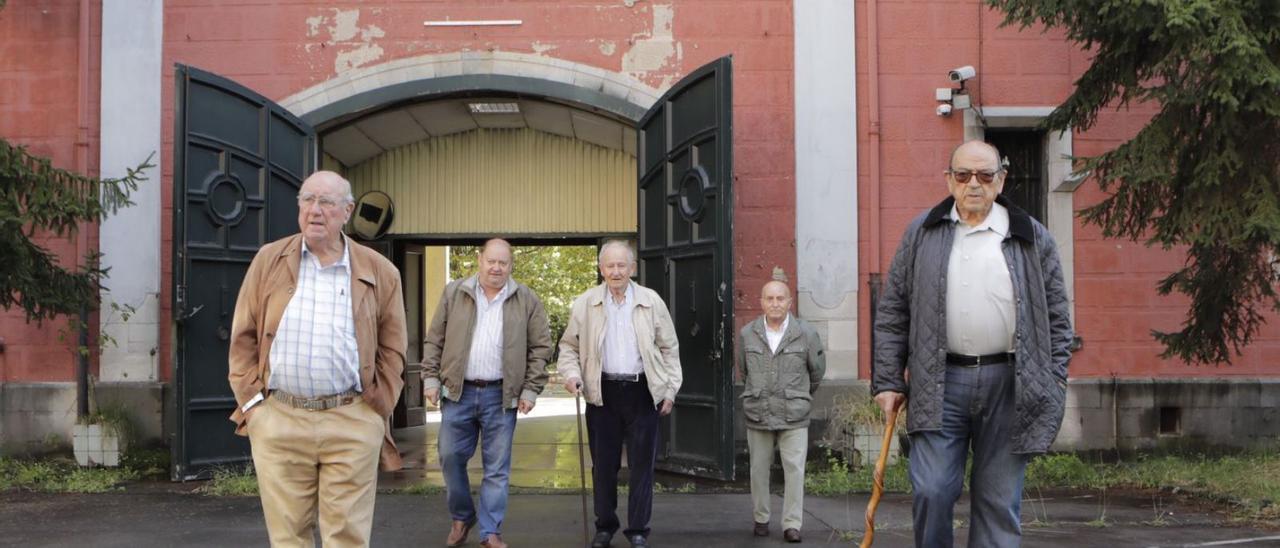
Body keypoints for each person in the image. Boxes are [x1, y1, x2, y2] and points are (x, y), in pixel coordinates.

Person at [872, 140, 1073, 547]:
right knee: (931, 490)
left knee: (999, 502)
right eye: (963, 175)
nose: (974, 184)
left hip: (1011, 383)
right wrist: (888, 380)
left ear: (1001, 180)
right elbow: (893, 310)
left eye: (985, 175)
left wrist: (1052, 381)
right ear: (950, 180)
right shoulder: (922, 233)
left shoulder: (1031, 236)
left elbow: (1057, 319)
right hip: (938, 381)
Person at [227, 170, 407, 547]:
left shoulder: (379, 270)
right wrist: (254, 406)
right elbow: (243, 336)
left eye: (326, 202)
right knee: (288, 537)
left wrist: (378, 407)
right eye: (307, 200)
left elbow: (393, 349)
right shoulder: (268, 260)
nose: (315, 211)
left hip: (351, 418)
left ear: (347, 211)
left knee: (347, 537)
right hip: (280, 420)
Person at [422, 239, 553, 548]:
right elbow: (434, 340)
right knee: (450, 456)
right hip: (458, 392)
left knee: (497, 468)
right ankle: (463, 515)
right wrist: (429, 378)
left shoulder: (527, 299)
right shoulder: (455, 293)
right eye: (491, 261)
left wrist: (531, 388)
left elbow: (540, 348)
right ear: (480, 260)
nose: (497, 268)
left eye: (503, 263)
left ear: (511, 265)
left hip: (501, 395)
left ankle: (490, 531)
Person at [558, 240, 681, 548]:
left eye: (621, 265)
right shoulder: (586, 303)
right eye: (610, 266)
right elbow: (568, 347)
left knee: (642, 465)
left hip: (642, 391)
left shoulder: (651, 301)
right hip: (602, 392)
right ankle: (605, 526)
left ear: (632, 268)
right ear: (601, 269)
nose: (616, 272)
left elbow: (670, 348)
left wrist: (670, 389)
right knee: (603, 466)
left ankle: (638, 529)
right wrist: (572, 375)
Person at [738, 278, 825, 543]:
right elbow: (745, 370)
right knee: (758, 469)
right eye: (769, 298)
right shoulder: (747, 333)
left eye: (780, 298)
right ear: (761, 302)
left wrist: (799, 395)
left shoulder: (806, 333)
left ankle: (792, 524)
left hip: (794, 414)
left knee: (794, 470)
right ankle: (761, 518)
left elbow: (817, 371)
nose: (775, 303)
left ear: (790, 302)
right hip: (759, 412)